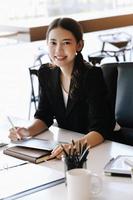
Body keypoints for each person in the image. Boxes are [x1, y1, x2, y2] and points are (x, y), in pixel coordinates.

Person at [9, 17, 115, 159]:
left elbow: (100, 129)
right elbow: (44, 116)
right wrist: (27, 131)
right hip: (67, 145)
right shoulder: (46, 72)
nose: (58, 50)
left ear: (79, 45)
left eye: (66, 42)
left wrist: (72, 147)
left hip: (99, 147)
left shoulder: (91, 75)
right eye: (53, 43)